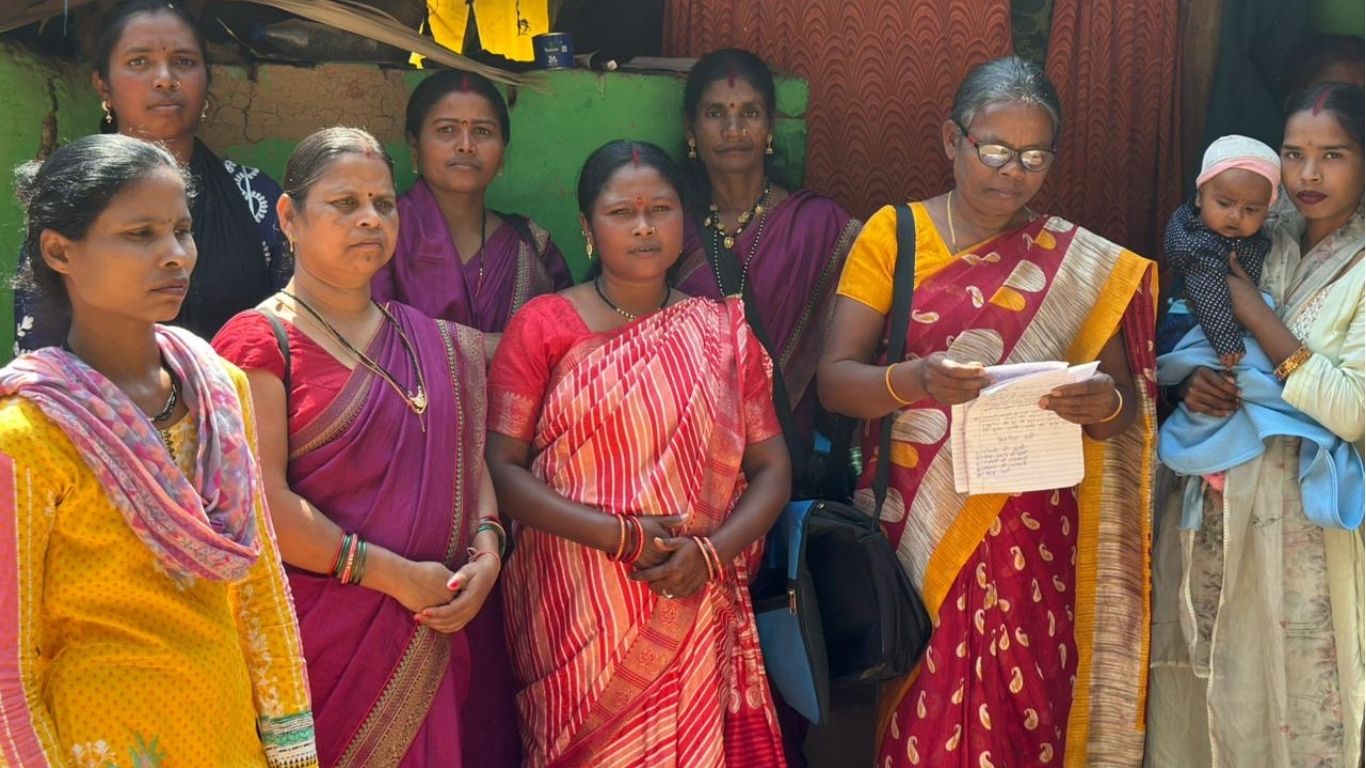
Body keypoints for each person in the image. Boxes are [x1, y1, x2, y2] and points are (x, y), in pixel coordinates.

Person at [817, 56, 1156, 767]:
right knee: (922, 705)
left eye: (1034, 157)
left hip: (1033, 537)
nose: (1012, 172)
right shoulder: (894, 236)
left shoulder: (1076, 262)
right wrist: (912, 381)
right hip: (917, 532)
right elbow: (836, 382)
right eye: (996, 150)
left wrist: (1104, 403)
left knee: (1027, 705)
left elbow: (1119, 410)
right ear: (952, 140)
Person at [0, 134, 316, 767]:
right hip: (101, 744)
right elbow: (9, 666)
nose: (175, 256)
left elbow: (259, 587)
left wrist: (293, 751)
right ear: (60, 251)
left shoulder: (218, 390)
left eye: (182, 231)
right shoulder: (30, 435)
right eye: (140, 235)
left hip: (227, 736)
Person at [485, 140, 791, 767]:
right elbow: (503, 472)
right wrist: (620, 536)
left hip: (692, 587)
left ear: (686, 218)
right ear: (587, 227)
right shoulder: (544, 325)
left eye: (662, 208)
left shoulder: (722, 332)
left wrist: (711, 554)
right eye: (623, 212)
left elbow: (772, 470)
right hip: (573, 599)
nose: (645, 226)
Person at [212, 127, 508, 768]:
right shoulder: (260, 341)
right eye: (344, 204)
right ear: (289, 217)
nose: (370, 218)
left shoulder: (428, 338)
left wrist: (489, 550)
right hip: (324, 645)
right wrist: (397, 578)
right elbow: (266, 508)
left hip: (442, 623)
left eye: (383, 202)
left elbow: (466, 458)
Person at [1146, 81, 1365, 768]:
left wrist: (1255, 317)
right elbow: (1183, 335)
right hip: (1208, 506)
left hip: (1305, 530)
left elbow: (1351, 411)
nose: (1307, 174)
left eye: (1333, 154)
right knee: (1197, 685)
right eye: (1293, 153)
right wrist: (1196, 383)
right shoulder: (1254, 235)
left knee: (1299, 696)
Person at [15, 0, 289, 352]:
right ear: (103, 85)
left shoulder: (256, 199)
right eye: (139, 61)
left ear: (208, 78)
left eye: (184, 62)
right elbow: (40, 349)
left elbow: (288, 337)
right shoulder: (71, 196)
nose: (165, 79)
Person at [675, 47, 860, 457]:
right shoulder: (669, 227)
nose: (734, 128)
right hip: (685, 451)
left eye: (750, 113)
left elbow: (861, 347)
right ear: (691, 130)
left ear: (770, 126)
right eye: (715, 113)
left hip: (791, 448)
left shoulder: (820, 225)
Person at [372, 70, 572, 362]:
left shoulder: (531, 247)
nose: (466, 145)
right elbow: (367, 337)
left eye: (482, 131)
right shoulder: (381, 233)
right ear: (415, 146)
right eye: (447, 130)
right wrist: (492, 348)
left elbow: (561, 345)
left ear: (502, 152)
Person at [1161, 135, 1281, 367]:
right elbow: (1208, 292)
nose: (1236, 216)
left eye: (1251, 209)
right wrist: (1227, 342)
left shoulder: (1258, 236)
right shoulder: (1200, 245)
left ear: (1267, 211)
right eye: (1224, 204)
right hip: (1194, 324)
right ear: (1199, 197)